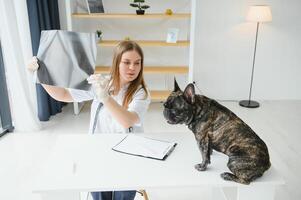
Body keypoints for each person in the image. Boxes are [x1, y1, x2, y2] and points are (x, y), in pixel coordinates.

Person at [27, 40, 151, 200]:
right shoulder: (101, 83)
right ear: (116, 63)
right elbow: (63, 95)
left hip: (127, 156)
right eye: (126, 62)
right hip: (98, 153)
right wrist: (40, 75)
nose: (132, 68)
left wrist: (105, 97)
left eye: (137, 63)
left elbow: (127, 121)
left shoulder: (141, 93)